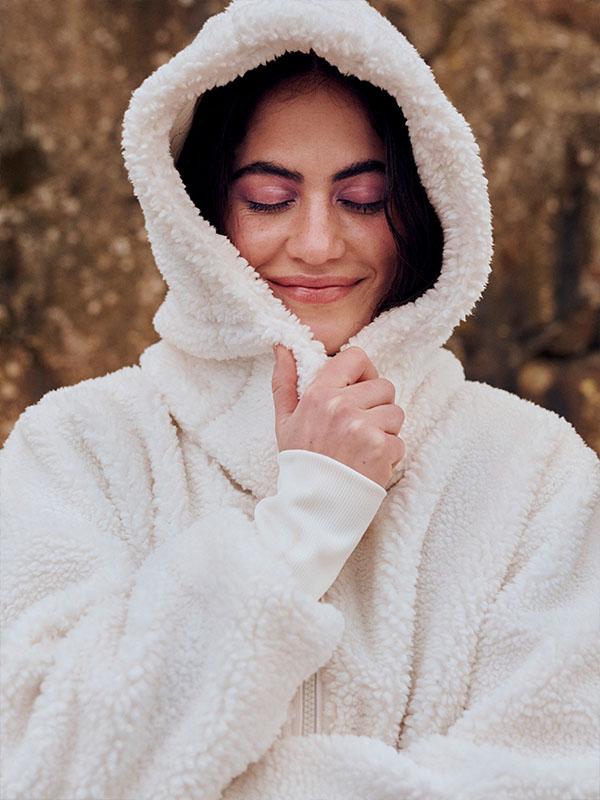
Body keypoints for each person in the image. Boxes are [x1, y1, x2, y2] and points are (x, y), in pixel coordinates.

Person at [1, 0, 598, 798]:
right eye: (270, 197)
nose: (318, 242)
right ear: (200, 213)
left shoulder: (535, 472)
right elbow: (40, 766)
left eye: (362, 198)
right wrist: (305, 521)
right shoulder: (78, 449)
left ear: (423, 207)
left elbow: (558, 777)